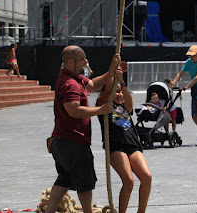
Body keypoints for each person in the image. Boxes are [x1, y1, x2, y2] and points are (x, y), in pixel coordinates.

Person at [46, 45, 120, 213]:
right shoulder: (69, 83)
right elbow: (73, 110)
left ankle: (49, 211)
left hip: (63, 142)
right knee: (85, 183)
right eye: (82, 59)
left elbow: (92, 85)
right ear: (70, 62)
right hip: (72, 142)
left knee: (64, 179)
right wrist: (100, 110)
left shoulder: (75, 77)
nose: (86, 62)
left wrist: (111, 70)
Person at [96, 62, 152, 213]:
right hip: (116, 148)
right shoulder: (104, 106)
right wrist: (112, 68)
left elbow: (130, 101)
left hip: (133, 146)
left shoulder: (125, 107)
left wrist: (121, 81)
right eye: (117, 92)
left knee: (146, 177)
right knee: (129, 181)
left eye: (121, 92)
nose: (120, 94)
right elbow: (108, 88)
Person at [170, 45, 197, 146]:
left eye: (192, 56)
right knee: (194, 116)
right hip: (196, 92)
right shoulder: (189, 62)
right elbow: (180, 74)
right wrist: (173, 83)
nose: (190, 58)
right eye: (189, 56)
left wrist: (186, 87)